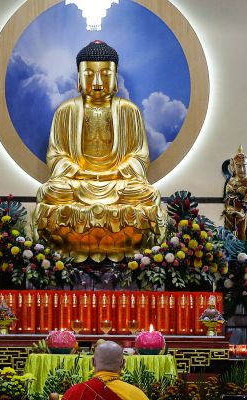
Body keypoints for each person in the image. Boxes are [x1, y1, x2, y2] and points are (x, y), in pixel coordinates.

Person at [33, 40, 164, 262]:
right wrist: (79, 172)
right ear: (79, 78)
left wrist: (115, 174)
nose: (96, 82)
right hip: (77, 183)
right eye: (89, 74)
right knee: (51, 192)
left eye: (104, 74)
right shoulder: (65, 112)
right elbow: (56, 156)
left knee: (146, 196)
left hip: (119, 184)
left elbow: (139, 156)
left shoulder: (129, 111)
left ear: (115, 79)